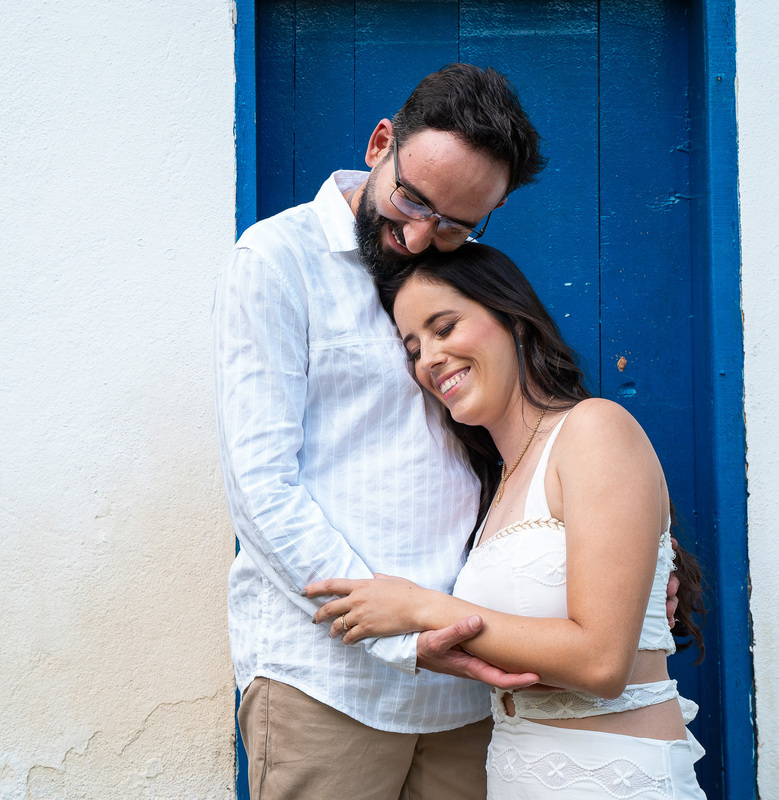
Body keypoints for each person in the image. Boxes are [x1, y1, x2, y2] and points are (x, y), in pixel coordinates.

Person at [213, 64, 549, 800]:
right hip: (329, 681)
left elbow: (530, 438)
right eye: (412, 200)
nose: (421, 237)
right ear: (379, 144)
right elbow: (261, 485)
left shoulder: (465, 276)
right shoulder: (276, 260)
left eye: (456, 224)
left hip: (467, 684)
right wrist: (398, 632)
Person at [305, 244, 708, 799]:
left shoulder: (594, 429)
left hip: (614, 778)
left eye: (445, 327)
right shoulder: (497, 489)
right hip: (516, 773)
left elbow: (601, 662)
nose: (429, 359)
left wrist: (419, 606)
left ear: (512, 319)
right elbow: (520, 644)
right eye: (414, 347)